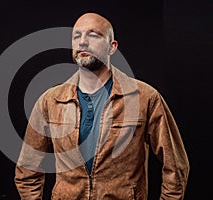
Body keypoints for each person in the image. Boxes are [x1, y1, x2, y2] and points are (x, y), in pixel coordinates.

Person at [14, 12, 189, 199]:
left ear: (112, 47)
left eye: (93, 35)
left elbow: (176, 165)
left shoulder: (144, 97)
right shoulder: (50, 101)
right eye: (76, 36)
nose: (82, 42)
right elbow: (27, 170)